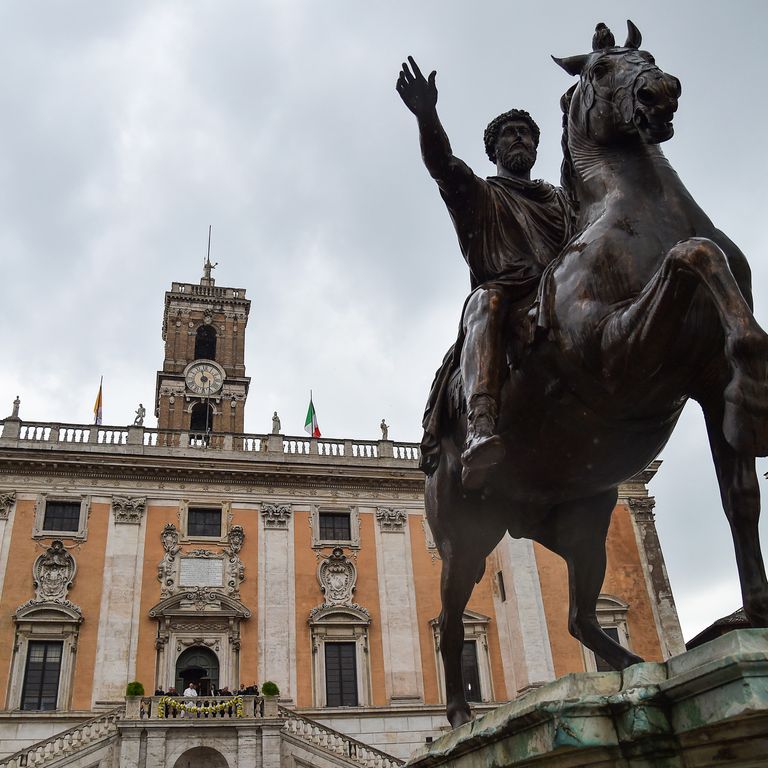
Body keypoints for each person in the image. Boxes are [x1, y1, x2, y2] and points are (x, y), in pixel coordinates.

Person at [397, 57, 574, 487]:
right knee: (485, 300)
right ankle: (480, 423)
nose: (520, 139)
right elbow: (442, 163)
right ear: (494, 150)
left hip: (562, 296)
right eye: (510, 134)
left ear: (536, 147)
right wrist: (426, 116)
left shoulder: (563, 202)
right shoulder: (480, 195)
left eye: (527, 134)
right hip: (508, 298)